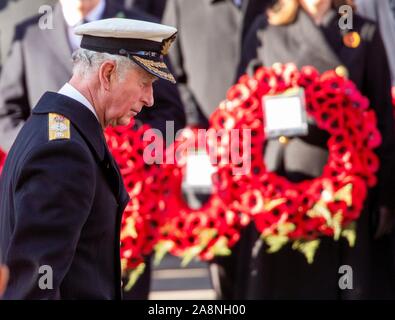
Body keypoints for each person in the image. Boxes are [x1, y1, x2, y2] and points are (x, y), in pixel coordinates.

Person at [0, 17, 177, 299]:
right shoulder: (64, 152)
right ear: (107, 73)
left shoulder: (57, 129)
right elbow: (33, 284)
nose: (150, 99)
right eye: (144, 83)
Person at [237, 0, 395, 299]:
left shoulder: (362, 31)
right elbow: (241, 104)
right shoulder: (266, 29)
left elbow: (383, 118)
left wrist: (386, 196)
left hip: (344, 191)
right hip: (281, 183)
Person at [162, 0, 272, 300]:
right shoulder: (182, 6)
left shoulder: (277, 5)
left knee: (267, 251)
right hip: (209, 146)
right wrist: (194, 123)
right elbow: (171, 71)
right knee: (222, 251)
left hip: (270, 151)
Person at [0, 0, 185, 152]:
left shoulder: (141, 30)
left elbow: (169, 112)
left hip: (127, 186)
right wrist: (41, 148)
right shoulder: (29, 36)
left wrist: (134, 150)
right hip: (52, 179)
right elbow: (5, 115)